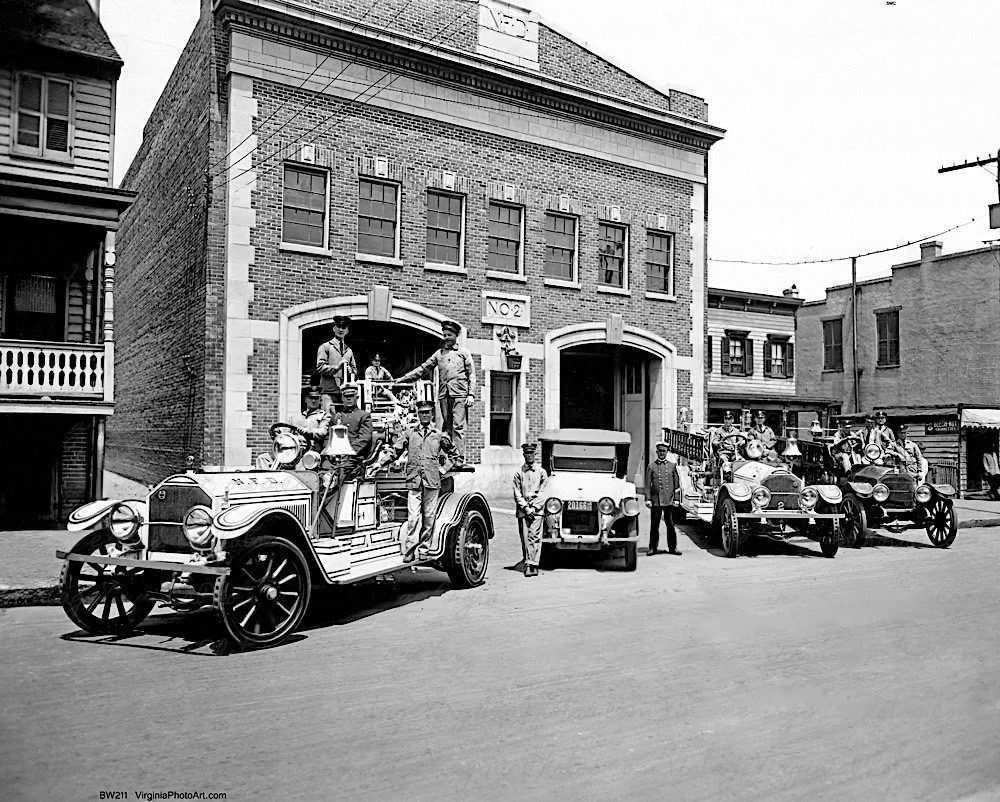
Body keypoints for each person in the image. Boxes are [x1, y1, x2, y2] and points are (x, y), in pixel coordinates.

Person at [397, 319, 476, 462]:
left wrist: (471, 394)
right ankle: (449, 456)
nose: (446, 338)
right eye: (444, 335)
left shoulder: (464, 353)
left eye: (449, 335)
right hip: (444, 394)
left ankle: (459, 458)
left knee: (458, 426)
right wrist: (403, 379)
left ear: (455, 336)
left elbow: (472, 375)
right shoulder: (439, 354)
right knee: (446, 426)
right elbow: (423, 368)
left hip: (460, 394)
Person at [393, 399, 458, 562]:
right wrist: (380, 462)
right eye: (421, 412)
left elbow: (455, 455)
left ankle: (424, 548)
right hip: (414, 480)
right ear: (418, 414)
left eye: (427, 412)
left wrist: (443, 469)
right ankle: (409, 549)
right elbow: (395, 450)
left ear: (431, 414)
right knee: (413, 517)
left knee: (429, 517)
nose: (424, 415)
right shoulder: (410, 433)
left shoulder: (438, 435)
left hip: (432, 481)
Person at [513, 442, 548, 577]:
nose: (529, 456)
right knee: (525, 538)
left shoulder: (541, 472)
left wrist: (534, 507)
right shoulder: (518, 473)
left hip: (536, 510)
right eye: (527, 454)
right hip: (523, 510)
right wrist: (526, 508)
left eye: (531, 453)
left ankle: (532, 565)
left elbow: (544, 492)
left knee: (534, 536)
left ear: (535, 454)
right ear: (523, 455)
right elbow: (516, 492)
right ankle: (528, 560)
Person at [645, 441, 681, 556]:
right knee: (654, 525)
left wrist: (676, 499)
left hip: (669, 500)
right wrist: (648, 499)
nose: (661, 453)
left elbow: (676, 485)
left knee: (670, 524)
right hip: (656, 501)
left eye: (664, 451)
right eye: (659, 451)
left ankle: (672, 548)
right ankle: (652, 548)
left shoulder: (672, 466)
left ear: (667, 452)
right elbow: (647, 485)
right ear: (656, 452)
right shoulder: (651, 466)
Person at [316, 316, 357, 412]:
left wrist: (351, 371)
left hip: (345, 392)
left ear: (347, 330)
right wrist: (337, 367)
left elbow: (355, 371)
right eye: (338, 326)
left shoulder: (349, 351)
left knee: (344, 420)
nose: (341, 329)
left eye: (344, 327)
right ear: (334, 328)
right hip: (328, 391)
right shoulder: (326, 347)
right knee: (328, 419)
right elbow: (320, 367)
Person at [334, 383, 373, 474]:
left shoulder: (364, 416)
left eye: (352, 396)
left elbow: (364, 438)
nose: (349, 399)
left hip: (354, 457)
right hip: (335, 456)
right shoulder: (337, 417)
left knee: (339, 473)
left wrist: (349, 451)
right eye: (346, 396)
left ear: (357, 397)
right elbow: (328, 437)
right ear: (342, 398)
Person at [288, 385, 331, 452]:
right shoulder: (296, 417)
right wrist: (279, 432)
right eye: (311, 398)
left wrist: (308, 431)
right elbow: (288, 433)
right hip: (295, 450)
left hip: (313, 451)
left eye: (316, 398)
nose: (313, 401)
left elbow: (323, 432)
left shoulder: (324, 416)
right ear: (305, 399)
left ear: (320, 400)